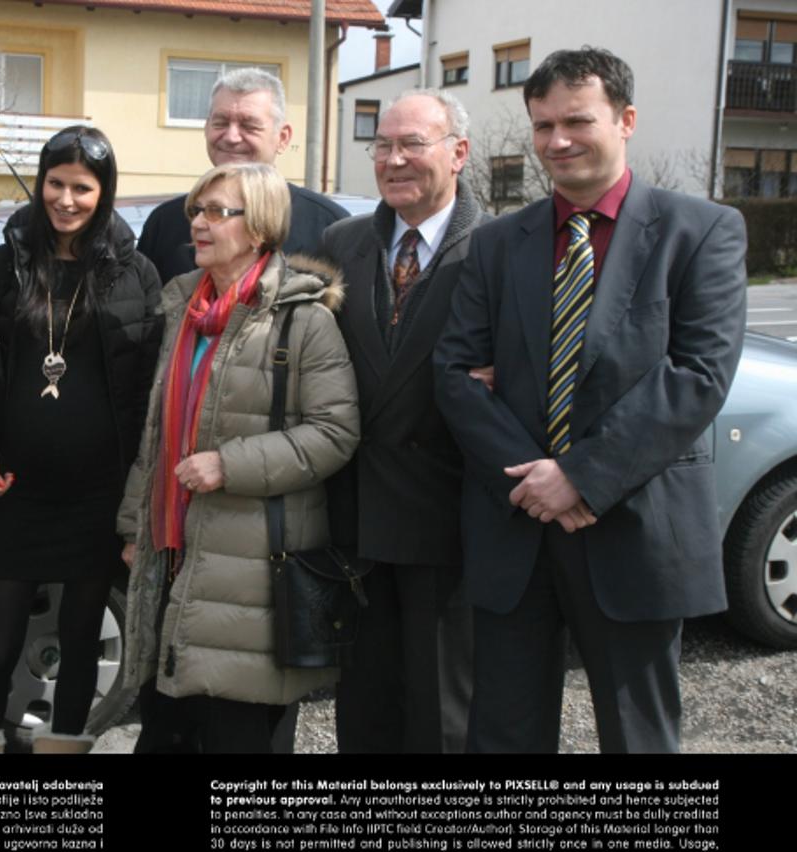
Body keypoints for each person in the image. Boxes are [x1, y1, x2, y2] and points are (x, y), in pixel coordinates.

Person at [434, 47, 747, 753]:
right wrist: (535, 481)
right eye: (543, 125)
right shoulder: (496, 244)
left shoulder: (701, 231)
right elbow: (454, 374)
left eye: (577, 121)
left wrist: (578, 475)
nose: (557, 141)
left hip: (635, 529)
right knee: (502, 738)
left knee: (638, 740)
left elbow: (696, 375)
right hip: (515, 529)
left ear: (626, 120)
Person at [118, 162, 359, 753]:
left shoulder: (305, 319)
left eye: (217, 212)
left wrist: (230, 464)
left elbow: (335, 431)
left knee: (237, 738)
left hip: (250, 571)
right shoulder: (182, 310)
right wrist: (133, 528)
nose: (198, 224)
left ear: (259, 229)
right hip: (170, 557)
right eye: (196, 211)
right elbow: (156, 434)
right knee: (165, 733)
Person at [0, 126, 163, 755]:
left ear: (104, 192)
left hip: (97, 496)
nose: (66, 199)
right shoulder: (4, 265)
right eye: (55, 184)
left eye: (82, 188)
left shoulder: (136, 272)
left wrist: (138, 491)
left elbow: (152, 386)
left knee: (82, 641)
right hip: (14, 491)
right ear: (40, 184)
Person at [323, 89, 486, 754]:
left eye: (412, 144)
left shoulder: (498, 247)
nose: (393, 159)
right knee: (363, 713)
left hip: (449, 523)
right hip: (357, 521)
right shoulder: (342, 242)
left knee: (441, 716)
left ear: (458, 152)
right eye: (382, 145)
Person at [138, 67, 348, 284]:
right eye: (220, 123)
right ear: (206, 129)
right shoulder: (165, 224)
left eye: (249, 126)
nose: (232, 137)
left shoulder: (328, 228)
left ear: (283, 138)